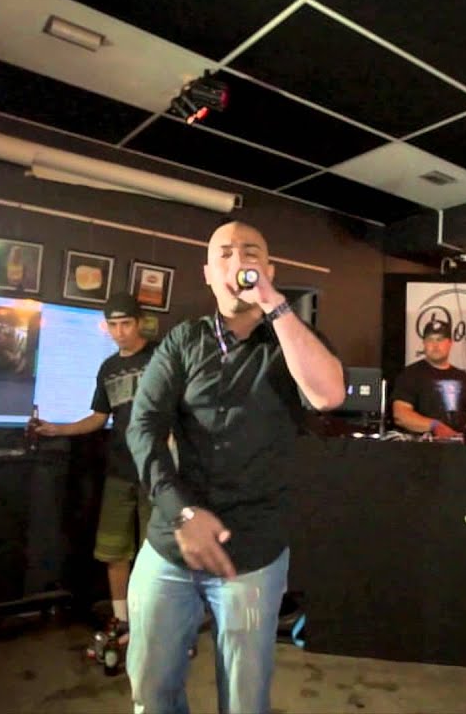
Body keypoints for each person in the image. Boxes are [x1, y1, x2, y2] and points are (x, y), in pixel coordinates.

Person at [125, 220, 345, 714]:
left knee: (245, 699)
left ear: (269, 269)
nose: (238, 261)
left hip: (253, 550)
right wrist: (182, 512)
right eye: (224, 253)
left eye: (251, 253)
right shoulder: (184, 341)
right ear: (208, 273)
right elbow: (143, 428)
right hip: (172, 543)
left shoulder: (290, 339)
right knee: (150, 687)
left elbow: (329, 395)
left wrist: (274, 304)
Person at [35, 292, 153, 649]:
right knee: (114, 551)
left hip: (157, 471)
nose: (120, 332)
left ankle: (155, 624)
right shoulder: (109, 368)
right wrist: (57, 429)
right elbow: (99, 418)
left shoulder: (163, 355)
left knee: (157, 555)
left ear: (139, 322)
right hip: (119, 470)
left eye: (126, 324)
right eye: (113, 325)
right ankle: (122, 621)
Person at [391, 318, 466, 441]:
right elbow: (400, 414)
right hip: (423, 447)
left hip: (459, 447)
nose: (435, 345)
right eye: (430, 340)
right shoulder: (411, 374)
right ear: (423, 343)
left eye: (440, 339)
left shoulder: (462, 377)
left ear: (450, 343)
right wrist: (434, 425)